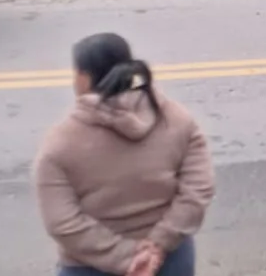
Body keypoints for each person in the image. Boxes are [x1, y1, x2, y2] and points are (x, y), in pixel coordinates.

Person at [33, 33, 215, 276]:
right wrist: (158, 244)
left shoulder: (60, 143)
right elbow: (199, 188)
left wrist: (127, 258)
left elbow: (63, 222)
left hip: (91, 267)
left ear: (84, 78)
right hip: (169, 261)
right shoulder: (178, 120)